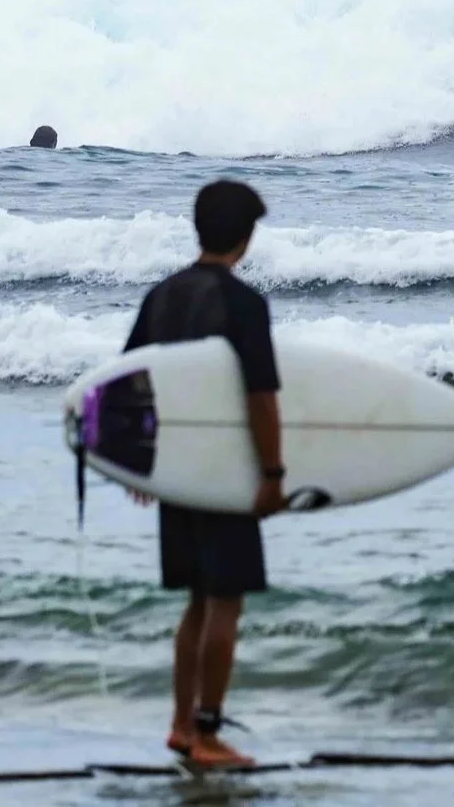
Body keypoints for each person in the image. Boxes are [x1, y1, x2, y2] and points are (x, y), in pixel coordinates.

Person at [124, 179, 286, 770]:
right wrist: (272, 474)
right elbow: (261, 398)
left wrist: (138, 461)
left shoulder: (162, 295)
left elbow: (131, 380)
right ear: (245, 237)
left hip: (178, 472)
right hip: (224, 474)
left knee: (197, 601)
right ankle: (208, 734)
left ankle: (180, 725)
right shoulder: (244, 304)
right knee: (224, 603)